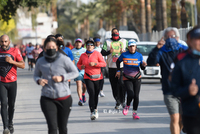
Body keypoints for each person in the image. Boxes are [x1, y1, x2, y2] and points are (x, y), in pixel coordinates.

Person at [147, 27, 188, 134]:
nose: (170, 39)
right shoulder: (161, 51)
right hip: (169, 90)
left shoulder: (184, 49)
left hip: (184, 90)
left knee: (182, 119)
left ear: (178, 38)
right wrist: (156, 48)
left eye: (172, 36)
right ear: (164, 38)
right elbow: (151, 62)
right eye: (167, 37)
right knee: (174, 118)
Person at [34, 37, 79, 134]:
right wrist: (39, 80)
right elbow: (36, 75)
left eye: (53, 47)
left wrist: (62, 77)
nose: (51, 49)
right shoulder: (40, 61)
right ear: (44, 48)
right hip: (47, 97)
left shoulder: (64, 59)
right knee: (52, 127)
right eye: (48, 47)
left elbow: (75, 72)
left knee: (62, 127)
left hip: (64, 98)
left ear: (57, 47)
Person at [171, 26, 200, 134]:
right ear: (190, 42)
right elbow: (174, 89)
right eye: (198, 39)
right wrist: (188, 91)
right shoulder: (182, 61)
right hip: (192, 114)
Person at [0, 35, 25, 134]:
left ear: (9, 42)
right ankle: (5, 127)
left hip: (12, 82)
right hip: (1, 82)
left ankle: (10, 123)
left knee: (11, 105)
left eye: (5, 42)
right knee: (3, 104)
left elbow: (22, 65)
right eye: (2, 42)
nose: (3, 44)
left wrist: (12, 61)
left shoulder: (15, 51)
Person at [116, 39, 147, 119]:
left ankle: (134, 112)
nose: (132, 48)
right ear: (128, 47)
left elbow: (142, 68)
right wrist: (118, 70)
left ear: (135, 47)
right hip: (127, 77)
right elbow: (118, 62)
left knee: (136, 96)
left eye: (133, 46)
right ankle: (127, 105)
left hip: (137, 77)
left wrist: (144, 65)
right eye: (130, 46)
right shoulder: (124, 55)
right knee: (130, 94)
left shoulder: (139, 55)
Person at [77, 38, 106, 120]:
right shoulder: (83, 55)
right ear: (86, 46)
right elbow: (78, 64)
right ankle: (92, 111)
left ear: (94, 46)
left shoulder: (97, 54)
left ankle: (95, 109)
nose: (89, 46)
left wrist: (95, 63)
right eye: (88, 45)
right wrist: (81, 67)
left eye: (91, 45)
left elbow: (104, 64)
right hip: (87, 77)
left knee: (96, 95)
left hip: (98, 77)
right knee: (91, 94)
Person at [101, 28, 128, 109]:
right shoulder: (107, 42)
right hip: (112, 67)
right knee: (114, 85)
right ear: (111, 34)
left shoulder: (124, 41)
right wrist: (109, 51)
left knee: (122, 84)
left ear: (119, 33)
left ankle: (123, 100)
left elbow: (130, 50)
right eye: (113, 33)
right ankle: (117, 100)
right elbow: (102, 52)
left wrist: (125, 52)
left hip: (122, 66)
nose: (115, 34)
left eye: (116, 33)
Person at [71, 38, 87, 106]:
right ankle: (80, 99)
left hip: (84, 70)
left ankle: (83, 93)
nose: (78, 43)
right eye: (77, 42)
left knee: (85, 85)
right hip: (76, 70)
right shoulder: (72, 51)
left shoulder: (85, 50)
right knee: (78, 84)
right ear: (75, 43)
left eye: (79, 42)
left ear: (81, 43)